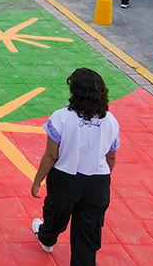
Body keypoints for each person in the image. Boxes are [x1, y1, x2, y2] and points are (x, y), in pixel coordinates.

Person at [30, 68, 120, 265]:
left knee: (56, 215)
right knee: (87, 236)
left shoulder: (61, 117)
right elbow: (111, 156)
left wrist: (38, 181)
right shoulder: (111, 121)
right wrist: (103, 179)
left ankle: (46, 237)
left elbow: (51, 155)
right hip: (97, 183)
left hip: (65, 180)